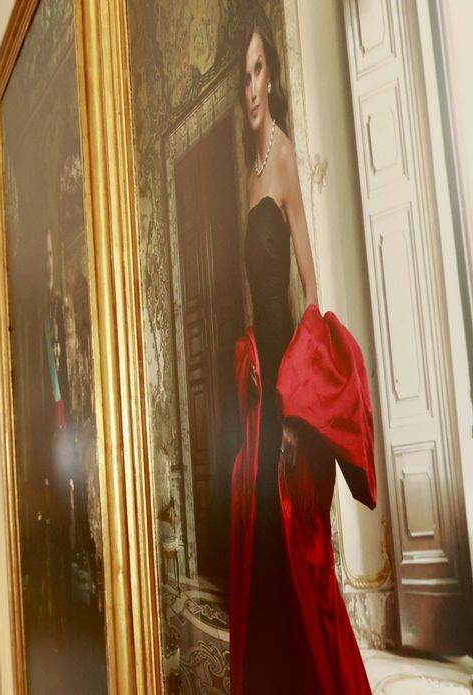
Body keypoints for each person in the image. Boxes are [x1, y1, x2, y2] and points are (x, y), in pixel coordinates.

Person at [228, 16, 377, 695]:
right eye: (243, 72)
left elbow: (310, 287)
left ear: (274, 75)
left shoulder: (281, 153)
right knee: (263, 544)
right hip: (263, 379)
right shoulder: (248, 164)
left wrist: (299, 398)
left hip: (288, 379)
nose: (252, 85)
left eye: (260, 69)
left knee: (291, 542)